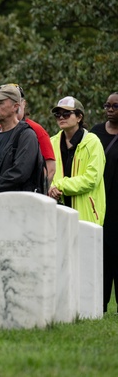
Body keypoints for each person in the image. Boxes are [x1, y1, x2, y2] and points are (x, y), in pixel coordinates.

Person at [48, 97, 106, 225]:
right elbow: (45, 174)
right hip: (57, 214)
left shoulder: (93, 142)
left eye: (67, 114)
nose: (61, 118)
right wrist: (50, 187)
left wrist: (60, 185)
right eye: (58, 115)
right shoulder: (52, 142)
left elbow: (91, 179)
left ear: (79, 117)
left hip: (86, 216)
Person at [90, 92, 118, 312]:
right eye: (107, 105)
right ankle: (100, 305)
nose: (110, 109)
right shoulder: (95, 133)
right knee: (102, 256)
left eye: (115, 106)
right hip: (100, 203)